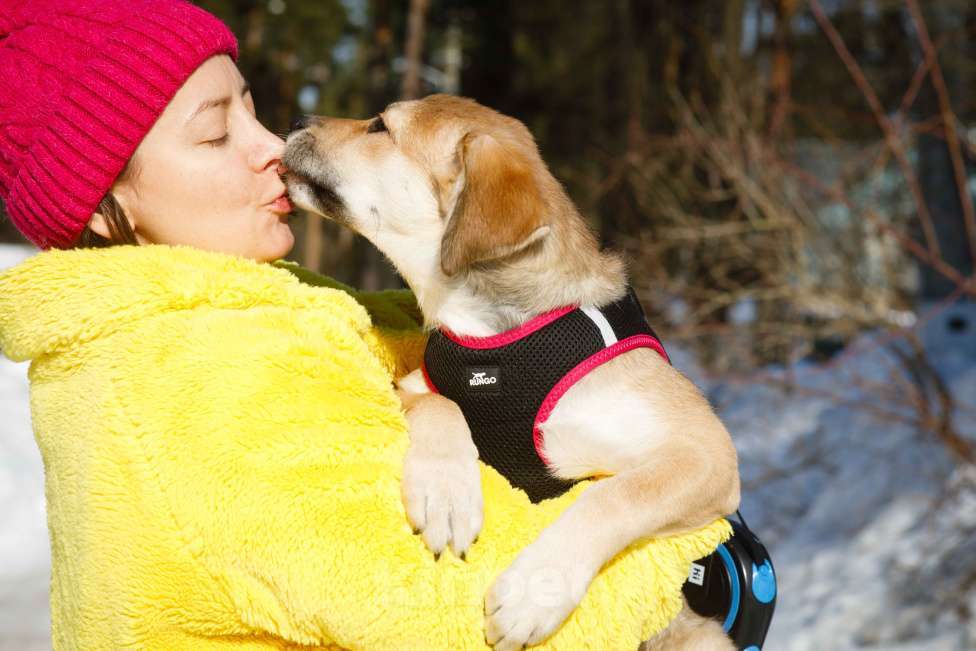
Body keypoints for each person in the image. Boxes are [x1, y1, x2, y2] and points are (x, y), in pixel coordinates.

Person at [0, 1, 731, 649]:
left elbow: (701, 465)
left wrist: (433, 413)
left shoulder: (300, 313)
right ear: (107, 205)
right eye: (216, 134)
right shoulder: (192, 384)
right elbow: (448, 614)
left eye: (252, 110)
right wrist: (702, 571)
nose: (273, 143)